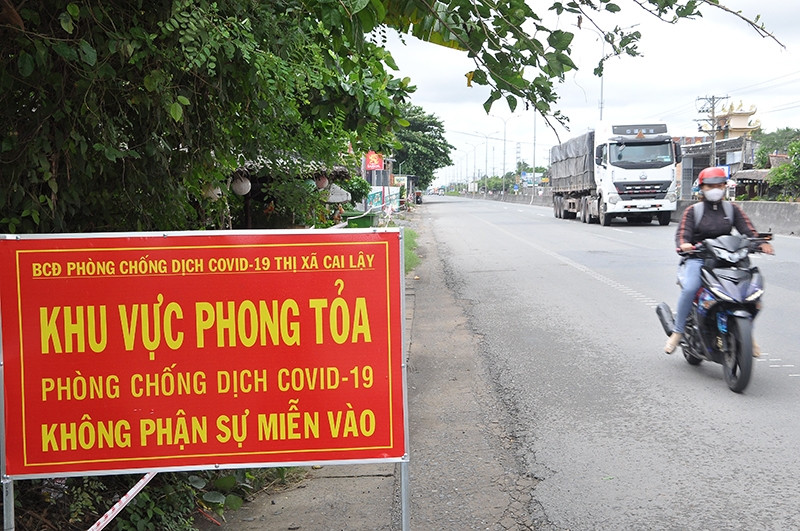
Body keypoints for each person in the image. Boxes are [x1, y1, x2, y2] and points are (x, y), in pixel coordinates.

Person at [664, 166, 774, 354]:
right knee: (690, 287)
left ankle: (747, 333)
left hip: (729, 259)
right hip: (699, 258)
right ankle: (678, 331)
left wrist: (761, 243)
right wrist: (685, 245)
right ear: (702, 188)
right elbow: (683, 234)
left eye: (719, 185)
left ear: (724, 186)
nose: (715, 188)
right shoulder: (694, 211)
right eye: (710, 186)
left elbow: (749, 231)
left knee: (751, 293)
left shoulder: (732, 210)